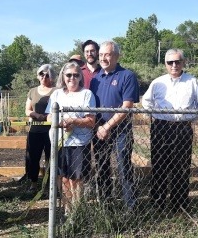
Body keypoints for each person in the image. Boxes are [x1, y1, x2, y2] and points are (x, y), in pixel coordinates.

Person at [141, 48, 198, 212]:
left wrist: (191, 116)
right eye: (170, 62)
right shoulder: (158, 82)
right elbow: (146, 102)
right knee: (159, 166)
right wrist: (155, 113)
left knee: (181, 168)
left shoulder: (192, 81)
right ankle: (158, 204)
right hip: (161, 127)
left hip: (183, 128)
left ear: (183, 62)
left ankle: (180, 205)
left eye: (177, 61)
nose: (174, 65)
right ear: (165, 64)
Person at [90, 40, 139, 209]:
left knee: (124, 167)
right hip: (99, 131)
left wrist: (107, 126)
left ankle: (129, 206)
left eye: (107, 54)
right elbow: (92, 107)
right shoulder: (95, 79)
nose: (103, 58)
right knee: (102, 167)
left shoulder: (127, 76)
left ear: (116, 56)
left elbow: (127, 107)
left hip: (121, 130)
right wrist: (99, 127)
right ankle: (105, 204)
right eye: (101, 54)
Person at [46, 61, 96, 215]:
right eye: (69, 75)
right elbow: (49, 117)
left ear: (80, 77)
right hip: (60, 142)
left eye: (76, 75)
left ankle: (78, 209)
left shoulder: (87, 94)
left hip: (79, 143)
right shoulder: (56, 94)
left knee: (76, 178)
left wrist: (74, 121)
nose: (72, 78)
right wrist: (59, 123)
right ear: (63, 76)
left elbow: (91, 121)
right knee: (64, 178)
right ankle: (68, 209)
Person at [24, 64, 57, 192]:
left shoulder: (57, 91)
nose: (44, 76)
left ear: (52, 77)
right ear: (38, 75)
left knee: (52, 158)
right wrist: (37, 115)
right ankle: (33, 183)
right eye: (41, 74)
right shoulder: (32, 91)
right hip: (35, 131)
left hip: (51, 131)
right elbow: (27, 110)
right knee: (33, 158)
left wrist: (47, 117)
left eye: (47, 74)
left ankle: (52, 185)